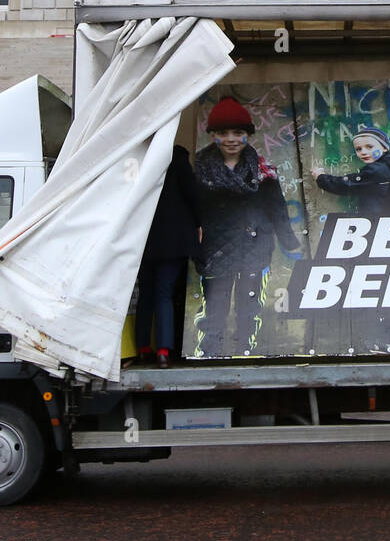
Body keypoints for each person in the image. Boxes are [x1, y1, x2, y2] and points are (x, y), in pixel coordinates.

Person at [194, 97, 301, 358]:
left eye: (238, 133)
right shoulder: (198, 170)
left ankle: (244, 350)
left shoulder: (263, 171)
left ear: (248, 135)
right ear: (212, 135)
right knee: (215, 306)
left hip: (255, 247)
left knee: (249, 305)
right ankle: (211, 354)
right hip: (214, 249)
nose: (231, 139)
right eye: (223, 133)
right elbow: (189, 208)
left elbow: (277, 209)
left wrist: (291, 243)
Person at [314, 126, 390, 353]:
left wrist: (321, 177)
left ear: (384, 147)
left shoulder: (376, 170)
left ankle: (388, 342)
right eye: (358, 149)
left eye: (369, 147)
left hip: (378, 235)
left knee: (378, 289)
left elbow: (345, 184)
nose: (363, 152)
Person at [125, 145, 201, 368]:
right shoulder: (175, 156)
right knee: (164, 293)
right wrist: (198, 224)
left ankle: (142, 348)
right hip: (173, 238)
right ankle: (164, 351)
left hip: (142, 237)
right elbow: (192, 193)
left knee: (146, 293)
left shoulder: (133, 157)